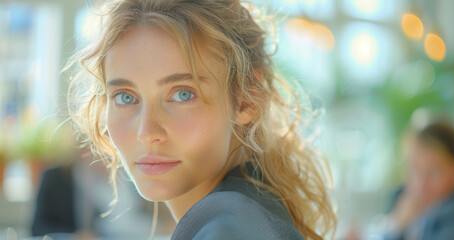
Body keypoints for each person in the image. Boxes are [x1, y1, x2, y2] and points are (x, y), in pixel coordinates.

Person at [66, 0, 337, 239]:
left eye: (183, 94)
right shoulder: (243, 213)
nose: (146, 132)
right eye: (125, 97)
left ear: (246, 99)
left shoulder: (232, 226)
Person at [384, 121, 454, 240]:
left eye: (434, 172)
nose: (421, 185)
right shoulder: (404, 201)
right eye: (414, 170)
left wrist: (395, 230)